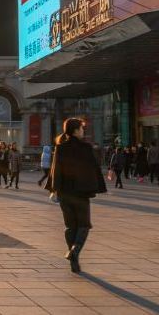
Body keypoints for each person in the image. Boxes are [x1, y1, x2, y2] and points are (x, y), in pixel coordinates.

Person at [45, 117, 107, 274]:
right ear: (75, 130)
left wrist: (54, 189)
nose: (83, 130)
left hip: (65, 193)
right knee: (84, 225)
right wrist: (95, 186)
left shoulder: (61, 147)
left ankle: (74, 259)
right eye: (81, 128)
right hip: (81, 193)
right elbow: (94, 168)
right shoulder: (86, 148)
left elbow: (55, 170)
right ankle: (74, 252)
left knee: (70, 226)